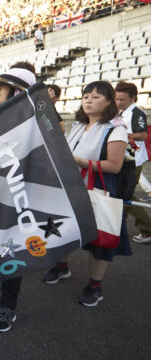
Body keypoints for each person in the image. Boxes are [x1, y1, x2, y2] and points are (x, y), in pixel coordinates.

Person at [43, 81, 130, 307]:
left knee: (100, 239)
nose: (89, 100)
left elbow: (114, 165)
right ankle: (62, 267)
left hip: (100, 187)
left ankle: (95, 286)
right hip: (72, 184)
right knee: (62, 228)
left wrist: (80, 162)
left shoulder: (116, 128)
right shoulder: (80, 125)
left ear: (109, 101)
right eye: (86, 96)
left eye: (96, 97)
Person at [0, 64, 37, 332]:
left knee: (11, 250)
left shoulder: (33, 122)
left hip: (17, 199)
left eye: (1, 86)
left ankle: (7, 306)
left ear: (18, 91)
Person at [114, 81, 151, 244]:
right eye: (117, 99)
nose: (119, 102)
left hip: (133, 161)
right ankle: (117, 227)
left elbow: (142, 135)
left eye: (123, 99)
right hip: (123, 159)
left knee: (127, 194)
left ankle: (147, 229)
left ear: (133, 98)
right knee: (123, 193)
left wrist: (122, 134)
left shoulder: (137, 113)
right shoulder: (122, 113)